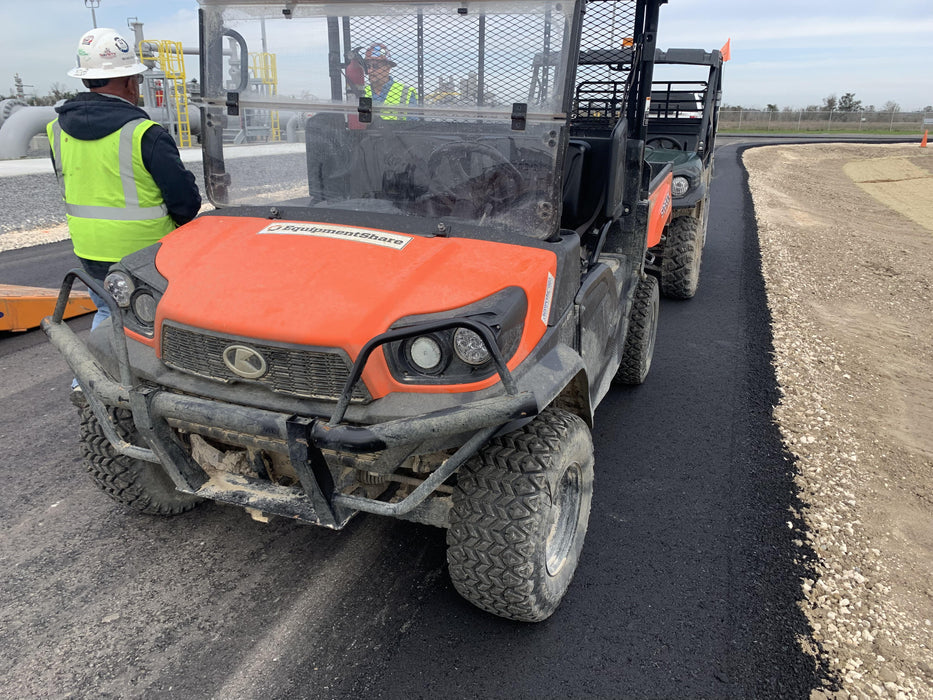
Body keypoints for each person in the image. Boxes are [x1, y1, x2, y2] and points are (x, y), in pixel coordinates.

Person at [47, 27, 201, 402]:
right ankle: (166, 398)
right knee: (162, 323)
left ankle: (88, 388)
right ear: (130, 81)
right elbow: (185, 203)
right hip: (149, 255)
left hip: (90, 251)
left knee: (108, 310)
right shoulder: (145, 134)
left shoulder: (56, 130)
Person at [362, 43, 419, 120]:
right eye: (368, 66)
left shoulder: (406, 92)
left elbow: (413, 125)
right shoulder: (362, 92)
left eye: (375, 66)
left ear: (388, 68)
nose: (370, 71)